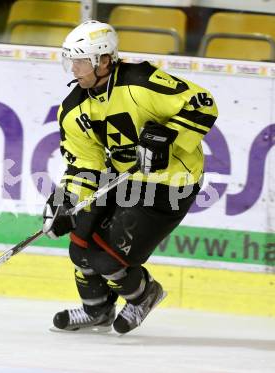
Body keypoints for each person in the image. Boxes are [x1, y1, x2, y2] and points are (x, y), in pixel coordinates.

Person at [42, 20, 218, 334]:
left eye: (81, 61)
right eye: (71, 60)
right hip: (123, 179)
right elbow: (85, 163)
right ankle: (96, 311)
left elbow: (202, 104)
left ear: (105, 60)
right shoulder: (73, 109)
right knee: (79, 245)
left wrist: (169, 139)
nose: (74, 69)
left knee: (107, 259)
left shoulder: (141, 82)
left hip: (170, 184)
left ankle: (144, 294)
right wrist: (65, 202)